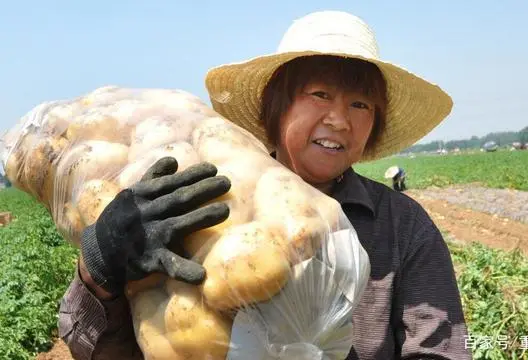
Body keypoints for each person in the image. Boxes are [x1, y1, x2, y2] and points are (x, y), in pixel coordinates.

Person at [58, 10, 472, 360]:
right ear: (277, 106)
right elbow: (101, 347)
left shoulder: (402, 226)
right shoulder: (200, 205)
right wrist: (98, 268)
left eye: (360, 104)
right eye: (320, 94)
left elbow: (440, 350)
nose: (340, 119)